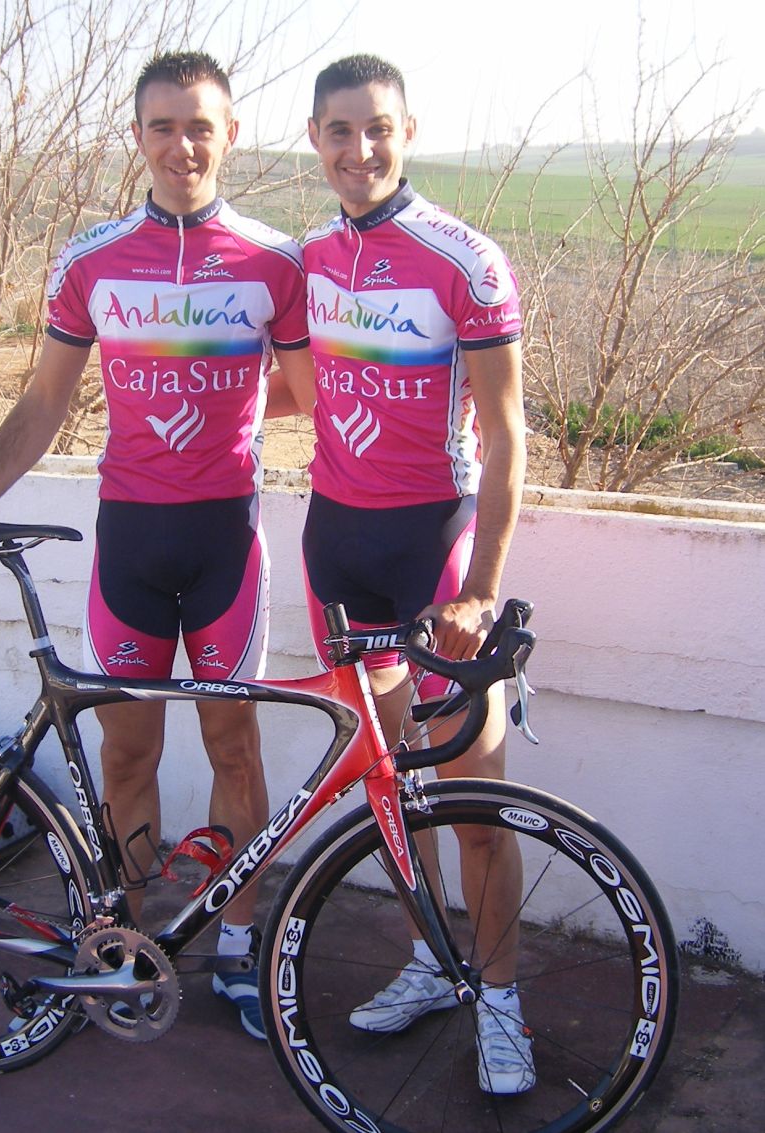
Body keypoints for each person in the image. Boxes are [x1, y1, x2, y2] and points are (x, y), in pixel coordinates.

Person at [0, 51, 313, 1041]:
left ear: (230, 134)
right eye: (162, 126)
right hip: (130, 540)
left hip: (226, 541)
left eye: (200, 125)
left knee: (234, 747)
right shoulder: (92, 259)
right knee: (128, 751)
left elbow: (317, 394)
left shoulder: (274, 261)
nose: (183, 145)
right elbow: (44, 399)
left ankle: (236, 941)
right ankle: (134, 944)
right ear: (137, 136)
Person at [300, 55, 533, 1094]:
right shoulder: (308, 258)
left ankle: (503, 999)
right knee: (388, 792)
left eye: (379, 128)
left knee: (473, 801)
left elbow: (510, 436)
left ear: (407, 131)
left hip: (434, 550)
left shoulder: (465, 260)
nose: (362, 150)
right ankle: (432, 963)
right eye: (341, 131)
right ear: (316, 138)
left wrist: (480, 587)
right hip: (336, 545)